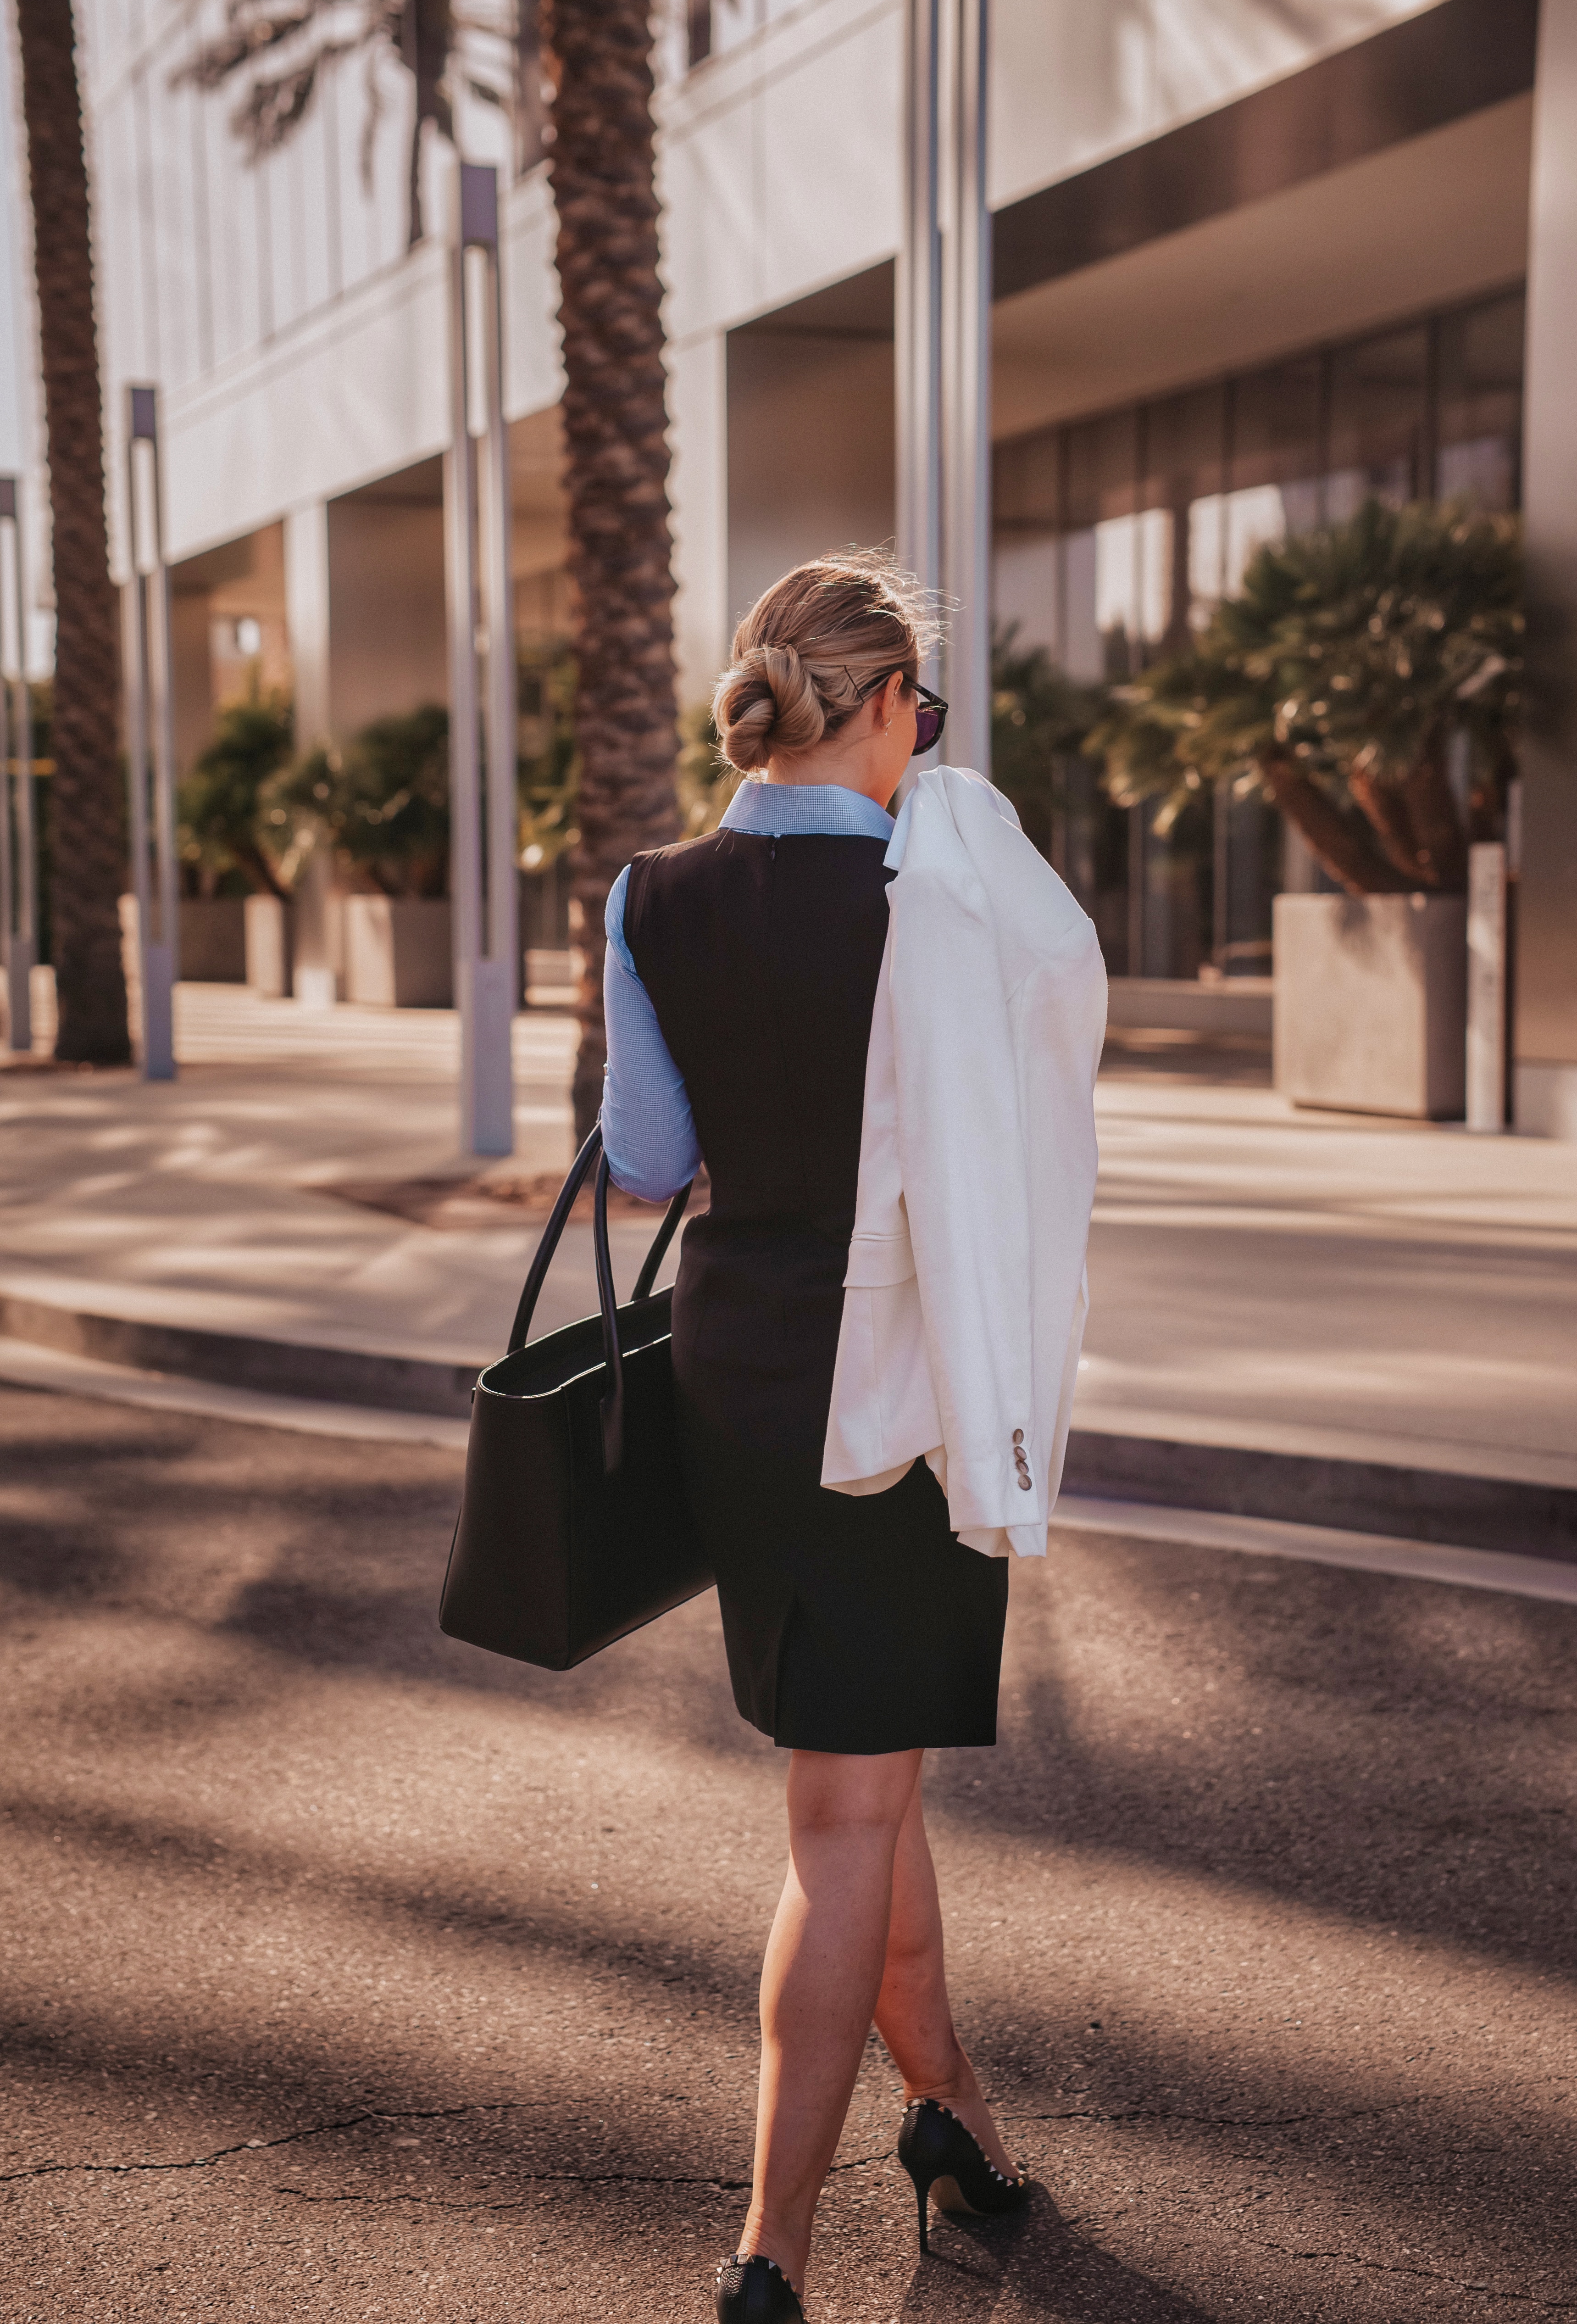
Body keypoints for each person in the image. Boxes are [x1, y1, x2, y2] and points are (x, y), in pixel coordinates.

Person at [599, 552, 1097, 2323]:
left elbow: (650, 1163)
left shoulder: (649, 893)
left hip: (741, 1383)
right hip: (904, 1392)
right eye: (927, 713)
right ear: (884, 707)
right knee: (842, 1812)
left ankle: (951, 2112)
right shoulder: (945, 899)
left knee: (859, 1770)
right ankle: (770, 2251)